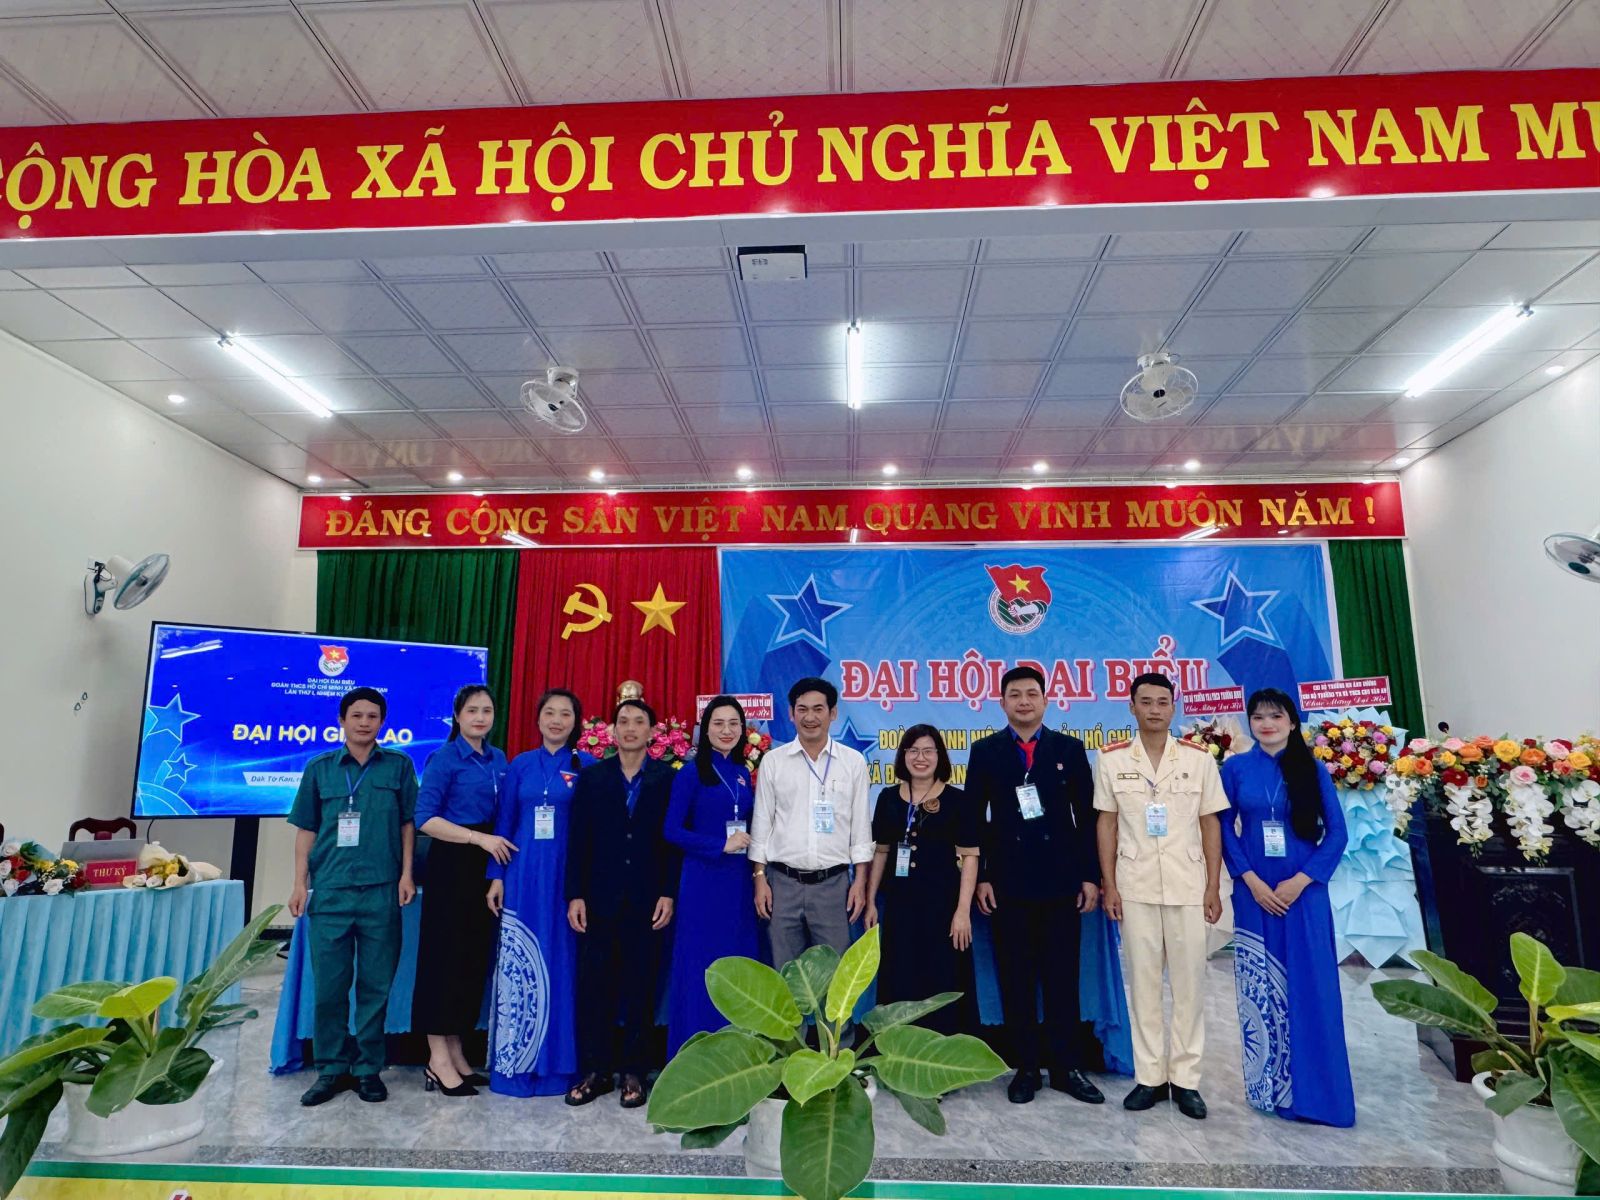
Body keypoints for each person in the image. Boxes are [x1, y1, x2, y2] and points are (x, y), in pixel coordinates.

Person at [1095, 672, 1228, 1121]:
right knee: (1144, 985)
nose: (1154, 709)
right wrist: (1110, 884)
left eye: (1162, 702)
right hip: (1135, 885)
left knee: (1190, 986)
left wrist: (1212, 885)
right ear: (1131, 707)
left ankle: (1186, 1080)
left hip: (1188, 884)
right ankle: (1150, 1077)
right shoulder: (1111, 759)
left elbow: (1210, 822)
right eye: (1146, 702)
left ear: (1174, 707)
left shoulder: (1198, 759)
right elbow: (1106, 823)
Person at [1220, 688, 1354, 1127]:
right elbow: (1223, 828)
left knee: (1312, 987)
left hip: (1304, 893)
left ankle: (1319, 1097)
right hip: (1254, 893)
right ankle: (1269, 1090)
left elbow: (1337, 833)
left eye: (1275, 716)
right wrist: (1250, 879)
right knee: (1261, 989)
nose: (1266, 724)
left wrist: (1302, 880)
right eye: (1258, 717)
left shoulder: (1312, 769)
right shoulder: (1235, 769)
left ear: (1292, 722)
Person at [970, 666, 1103, 1106]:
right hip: (1008, 883)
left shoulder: (1069, 749)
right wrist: (983, 875)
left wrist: (1090, 876)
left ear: (1046, 701)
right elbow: (976, 820)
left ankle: (1066, 1068)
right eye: (1015, 694)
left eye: (1032, 694)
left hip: (1061, 882)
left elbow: (1087, 818)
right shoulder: (985, 751)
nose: (1024, 701)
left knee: (1062, 976)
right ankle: (1025, 1068)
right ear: (1002, 702)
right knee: (1016, 977)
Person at [286, 686, 417, 1107]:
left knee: (375, 987)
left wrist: (407, 875)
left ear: (382, 722)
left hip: (382, 891)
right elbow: (306, 830)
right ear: (342, 721)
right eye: (357, 715)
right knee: (329, 987)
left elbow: (408, 826)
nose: (364, 723)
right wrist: (299, 884)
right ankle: (330, 1068)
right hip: (331, 892)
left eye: (372, 716)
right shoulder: (320, 768)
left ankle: (367, 1069)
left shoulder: (398, 766)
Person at [564, 699, 680, 1109]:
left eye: (639, 722)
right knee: (595, 987)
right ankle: (595, 1071)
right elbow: (578, 840)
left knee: (640, 988)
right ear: (613, 731)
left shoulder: (667, 778)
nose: (630, 728)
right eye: (623, 721)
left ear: (652, 731)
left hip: (648, 901)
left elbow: (672, 844)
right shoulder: (593, 777)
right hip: (599, 899)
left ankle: (635, 1072)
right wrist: (575, 894)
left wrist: (668, 892)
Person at [486, 688, 592, 1097]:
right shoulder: (520, 765)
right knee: (520, 965)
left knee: (562, 965)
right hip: (523, 876)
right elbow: (504, 823)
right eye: (550, 712)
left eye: (565, 714)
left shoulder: (586, 765)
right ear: (538, 719)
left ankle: (559, 1066)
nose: (556, 720)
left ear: (575, 722)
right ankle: (515, 1064)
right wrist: (496, 875)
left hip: (567, 881)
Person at [413, 684, 513, 1097]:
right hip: (452, 862)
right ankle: (436, 1057)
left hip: (485, 863)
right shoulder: (444, 758)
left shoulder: (498, 759)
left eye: (486, 710)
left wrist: (491, 855)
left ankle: (456, 1052)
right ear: (457, 716)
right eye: (472, 710)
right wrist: (476, 839)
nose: (480, 718)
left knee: (470, 962)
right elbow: (424, 818)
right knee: (443, 961)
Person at [748, 677, 873, 970]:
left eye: (818, 709)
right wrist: (759, 878)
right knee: (786, 973)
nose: (810, 717)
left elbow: (860, 829)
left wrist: (860, 883)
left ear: (833, 713)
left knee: (834, 977)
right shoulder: (774, 761)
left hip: (833, 886)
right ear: (791, 714)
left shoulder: (853, 762)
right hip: (782, 884)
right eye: (802, 709)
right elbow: (762, 823)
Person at [863, 724, 978, 1035]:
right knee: (901, 979)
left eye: (928, 751)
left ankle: (944, 1054)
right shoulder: (888, 798)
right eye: (913, 750)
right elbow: (882, 852)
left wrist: (963, 912)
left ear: (940, 757)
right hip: (901, 909)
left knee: (943, 981)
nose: (920, 758)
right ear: (903, 756)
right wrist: (871, 901)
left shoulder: (958, 800)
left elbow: (970, 857)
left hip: (943, 909)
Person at [664, 696, 760, 1055]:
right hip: (703, 881)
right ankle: (694, 1052)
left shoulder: (742, 773)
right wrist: (719, 844)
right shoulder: (690, 773)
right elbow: (671, 830)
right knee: (700, 964)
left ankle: (737, 1054)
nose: (726, 730)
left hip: (738, 884)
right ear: (705, 730)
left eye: (734, 723)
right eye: (718, 723)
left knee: (737, 963)